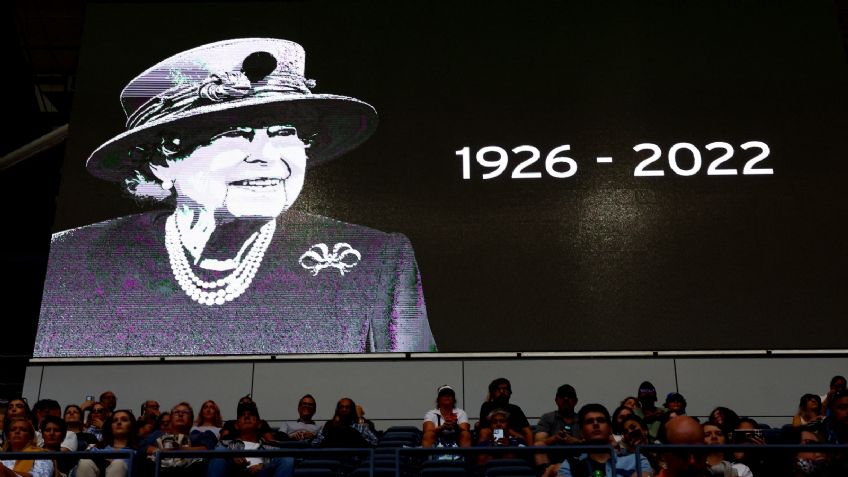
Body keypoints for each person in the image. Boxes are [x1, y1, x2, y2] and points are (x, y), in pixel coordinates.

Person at [33, 37, 436, 357]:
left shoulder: (378, 258)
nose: (265, 156)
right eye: (234, 136)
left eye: (283, 134)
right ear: (163, 160)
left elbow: (415, 389)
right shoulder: (72, 257)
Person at [556, 404, 652, 477]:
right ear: (581, 432)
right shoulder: (569, 466)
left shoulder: (637, 460)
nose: (596, 424)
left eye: (601, 420)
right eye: (589, 421)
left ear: (610, 429)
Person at [207, 403, 293, 477]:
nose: (246, 416)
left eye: (251, 414)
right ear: (237, 425)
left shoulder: (269, 448)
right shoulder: (224, 444)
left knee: (286, 458)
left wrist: (264, 466)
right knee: (219, 453)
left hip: (262, 474)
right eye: (242, 415)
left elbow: (292, 459)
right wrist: (231, 455)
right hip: (232, 472)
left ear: (259, 424)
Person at [76, 410, 138, 477]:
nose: (119, 422)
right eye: (115, 421)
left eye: (124, 420)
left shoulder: (137, 452)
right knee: (85, 462)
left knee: (118, 464)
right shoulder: (96, 449)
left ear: (131, 425)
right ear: (110, 427)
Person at [534, 384, 581, 468]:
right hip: (552, 461)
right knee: (539, 446)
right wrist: (555, 438)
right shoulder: (547, 417)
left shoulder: (583, 419)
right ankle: (545, 472)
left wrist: (575, 441)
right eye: (562, 396)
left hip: (578, 461)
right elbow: (539, 441)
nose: (566, 399)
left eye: (569, 396)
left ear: (576, 401)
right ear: (556, 400)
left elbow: (590, 442)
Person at [477, 378, 533, 446]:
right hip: (492, 439)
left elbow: (527, 430)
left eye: (505, 389)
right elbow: (484, 427)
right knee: (484, 432)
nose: (502, 391)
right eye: (498, 389)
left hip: (514, 441)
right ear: (493, 393)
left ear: (510, 392)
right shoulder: (487, 406)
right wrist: (505, 430)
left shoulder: (515, 409)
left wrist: (531, 451)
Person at [312, 398, 377, 448]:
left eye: (347, 407)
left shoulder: (361, 427)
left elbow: (375, 442)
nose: (344, 409)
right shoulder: (328, 426)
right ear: (338, 410)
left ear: (352, 410)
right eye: (341, 407)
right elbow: (315, 443)